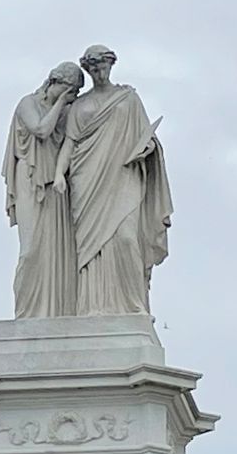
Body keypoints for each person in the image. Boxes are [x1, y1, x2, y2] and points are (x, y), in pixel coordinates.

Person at [54, 45, 172, 316]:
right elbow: (70, 144)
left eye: (103, 66)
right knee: (90, 247)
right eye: (93, 68)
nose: (99, 72)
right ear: (88, 70)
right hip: (87, 178)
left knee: (126, 239)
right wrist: (60, 174)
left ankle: (133, 306)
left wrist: (147, 149)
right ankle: (91, 307)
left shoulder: (127, 99)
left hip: (123, 175)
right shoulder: (80, 105)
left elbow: (147, 136)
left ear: (111, 66)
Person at [3, 63, 84, 317]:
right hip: (29, 177)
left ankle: (55, 313)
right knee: (30, 250)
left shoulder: (68, 112)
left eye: (74, 92)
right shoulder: (28, 103)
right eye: (67, 89)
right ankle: (26, 314)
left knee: (58, 251)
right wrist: (61, 103)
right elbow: (40, 130)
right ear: (53, 82)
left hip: (56, 186)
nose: (70, 96)